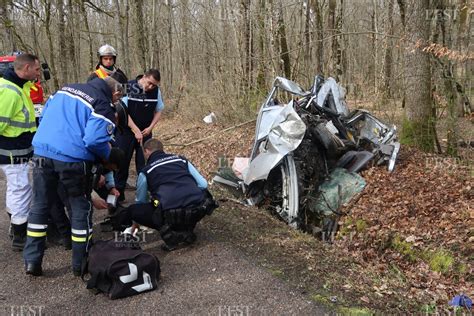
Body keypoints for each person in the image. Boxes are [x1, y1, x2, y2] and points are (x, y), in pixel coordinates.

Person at [22, 75, 125, 277]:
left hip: (42, 152)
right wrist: (107, 155)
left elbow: (43, 116)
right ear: (115, 93)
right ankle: (80, 265)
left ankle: (32, 262)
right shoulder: (102, 103)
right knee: (80, 207)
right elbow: (94, 140)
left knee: (40, 206)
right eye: (117, 98)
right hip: (72, 159)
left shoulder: (64, 89)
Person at [115, 138, 217, 251]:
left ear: (147, 151)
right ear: (162, 149)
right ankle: (186, 230)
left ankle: (172, 234)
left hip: (169, 213)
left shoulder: (146, 171)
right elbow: (203, 184)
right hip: (197, 209)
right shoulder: (181, 160)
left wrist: (154, 198)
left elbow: (141, 200)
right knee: (202, 195)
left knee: (134, 209)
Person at [0, 53, 40, 251]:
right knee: (20, 189)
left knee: (17, 188)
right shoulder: (10, 91)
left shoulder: (18, 86)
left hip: (19, 149)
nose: (38, 72)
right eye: (36, 69)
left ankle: (16, 226)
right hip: (12, 151)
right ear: (26, 68)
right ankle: (19, 234)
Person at [114, 69, 164, 201]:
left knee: (144, 164)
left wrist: (150, 127)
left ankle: (143, 196)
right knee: (121, 163)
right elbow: (121, 110)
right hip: (125, 132)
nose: (151, 87)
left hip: (145, 132)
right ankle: (118, 196)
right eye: (149, 83)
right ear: (144, 77)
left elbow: (159, 110)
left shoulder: (156, 92)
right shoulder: (128, 86)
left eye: (154, 85)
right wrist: (135, 130)